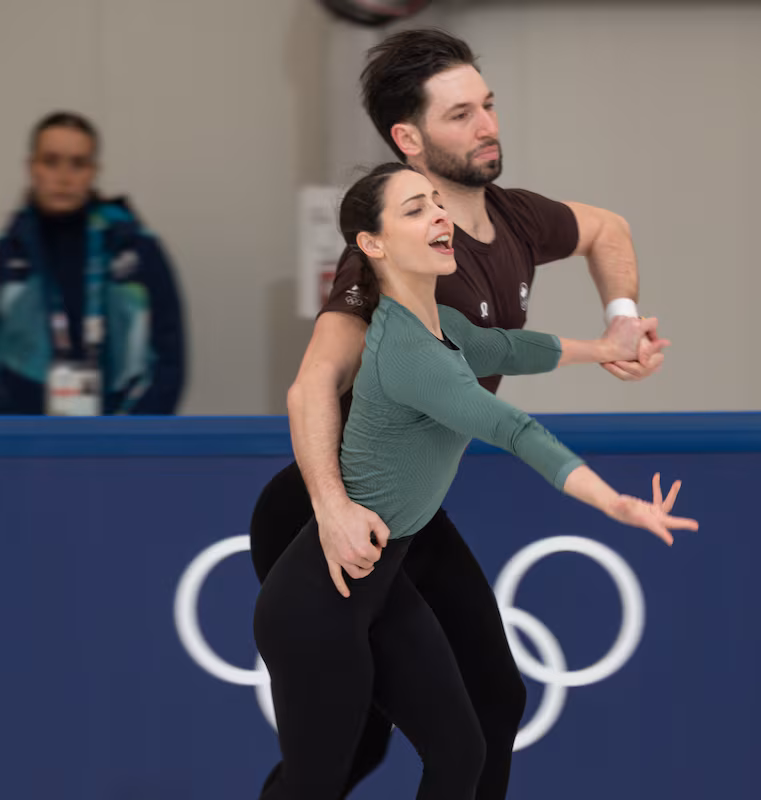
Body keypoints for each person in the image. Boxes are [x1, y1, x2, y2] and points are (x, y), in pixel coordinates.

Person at [249, 28, 666, 798]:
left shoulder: (512, 219)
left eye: (489, 105)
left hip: (409, 514)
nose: (487, 126)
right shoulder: (386, 257)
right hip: (323, 512)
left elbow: (608, 230)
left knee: (491, 704)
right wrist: (333, 508)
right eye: (460, 115)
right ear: (409, 139)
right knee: (350, 747)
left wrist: (620, 323)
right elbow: (312, 387)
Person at [0, 111, 186, 415]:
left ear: (93, 171)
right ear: (32, 167)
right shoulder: (7, 255)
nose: (64, 176)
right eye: (51, 161)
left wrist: (136, 437)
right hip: (23, 443)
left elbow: (169, 357)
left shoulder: (135, 251)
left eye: (78, 163)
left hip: (123, 439)